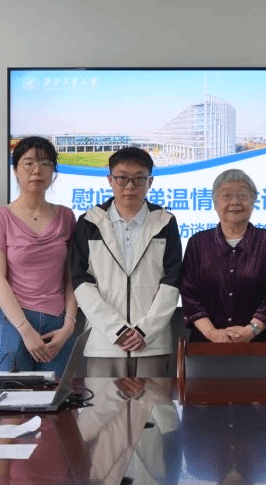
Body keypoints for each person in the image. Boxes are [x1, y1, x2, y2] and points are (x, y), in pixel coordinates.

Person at [71, 147, 182, 377]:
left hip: (151, 344)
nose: (130, 186)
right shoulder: (90, 222)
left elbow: (172, 281)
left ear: (150, 182)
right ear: (110, 180)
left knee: (153, 400)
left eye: (138, 178)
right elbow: (81, 282)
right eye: (122, 178)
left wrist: (145, 330)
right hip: (104, 343)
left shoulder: (164, 221)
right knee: (102, 401)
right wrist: (116, 329)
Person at [0, 136, 78, 376]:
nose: (37, 170)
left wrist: (69, 326)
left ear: (54, 171)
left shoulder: (66, 217)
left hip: (57, 325)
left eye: (45, 163)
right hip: (14, 322)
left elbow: (72, 277)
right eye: (29, 163)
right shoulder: (0, 217)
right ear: (16, 169)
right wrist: (25, 330)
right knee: (10, 396)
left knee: (54, 397)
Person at [181, 169, 266, 343]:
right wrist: (213, 334)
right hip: (206, 346)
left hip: (259, 345)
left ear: (253, 202)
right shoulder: (198, 243)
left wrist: (251, 331)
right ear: (215, 203)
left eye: (243, 196)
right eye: (227, 196)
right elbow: (188, 294)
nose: (235, 202)